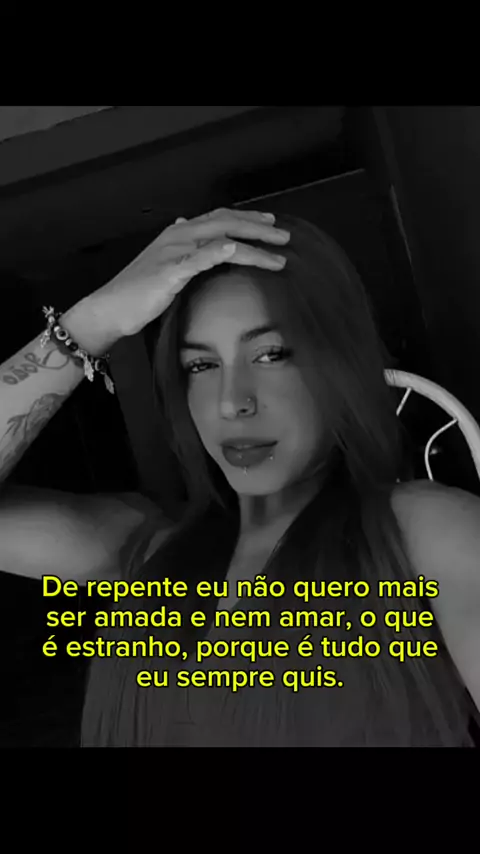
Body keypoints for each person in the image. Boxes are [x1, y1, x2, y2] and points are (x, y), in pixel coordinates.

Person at [1, 207, 480, 747]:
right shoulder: (143, 550)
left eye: (271, 354)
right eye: (201, 366)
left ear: (339, 362)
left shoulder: (426, 533)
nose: (232, 402)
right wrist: (92, 323)